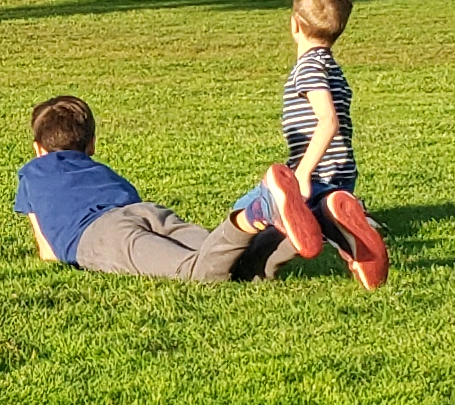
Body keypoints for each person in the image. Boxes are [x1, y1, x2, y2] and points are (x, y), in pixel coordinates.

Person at [227, 0, 390, 288]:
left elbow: (328, 121)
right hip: (341, 175)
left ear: (294, 24)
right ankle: (350, 238)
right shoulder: (330, 66)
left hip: (312, 173)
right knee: (317, 212)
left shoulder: (308, 68)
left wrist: (302, 173)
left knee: (249, 208)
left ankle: (314, 218)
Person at [16, 96, 287, 280]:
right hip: (144, 211)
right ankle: (290, 231)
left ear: (38, 149)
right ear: (92, 145)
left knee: (195, 272)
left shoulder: (31, 174)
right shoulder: (103, 172)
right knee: (217, 252)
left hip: (101, 235)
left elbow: (49, 253)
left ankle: (252, 215)